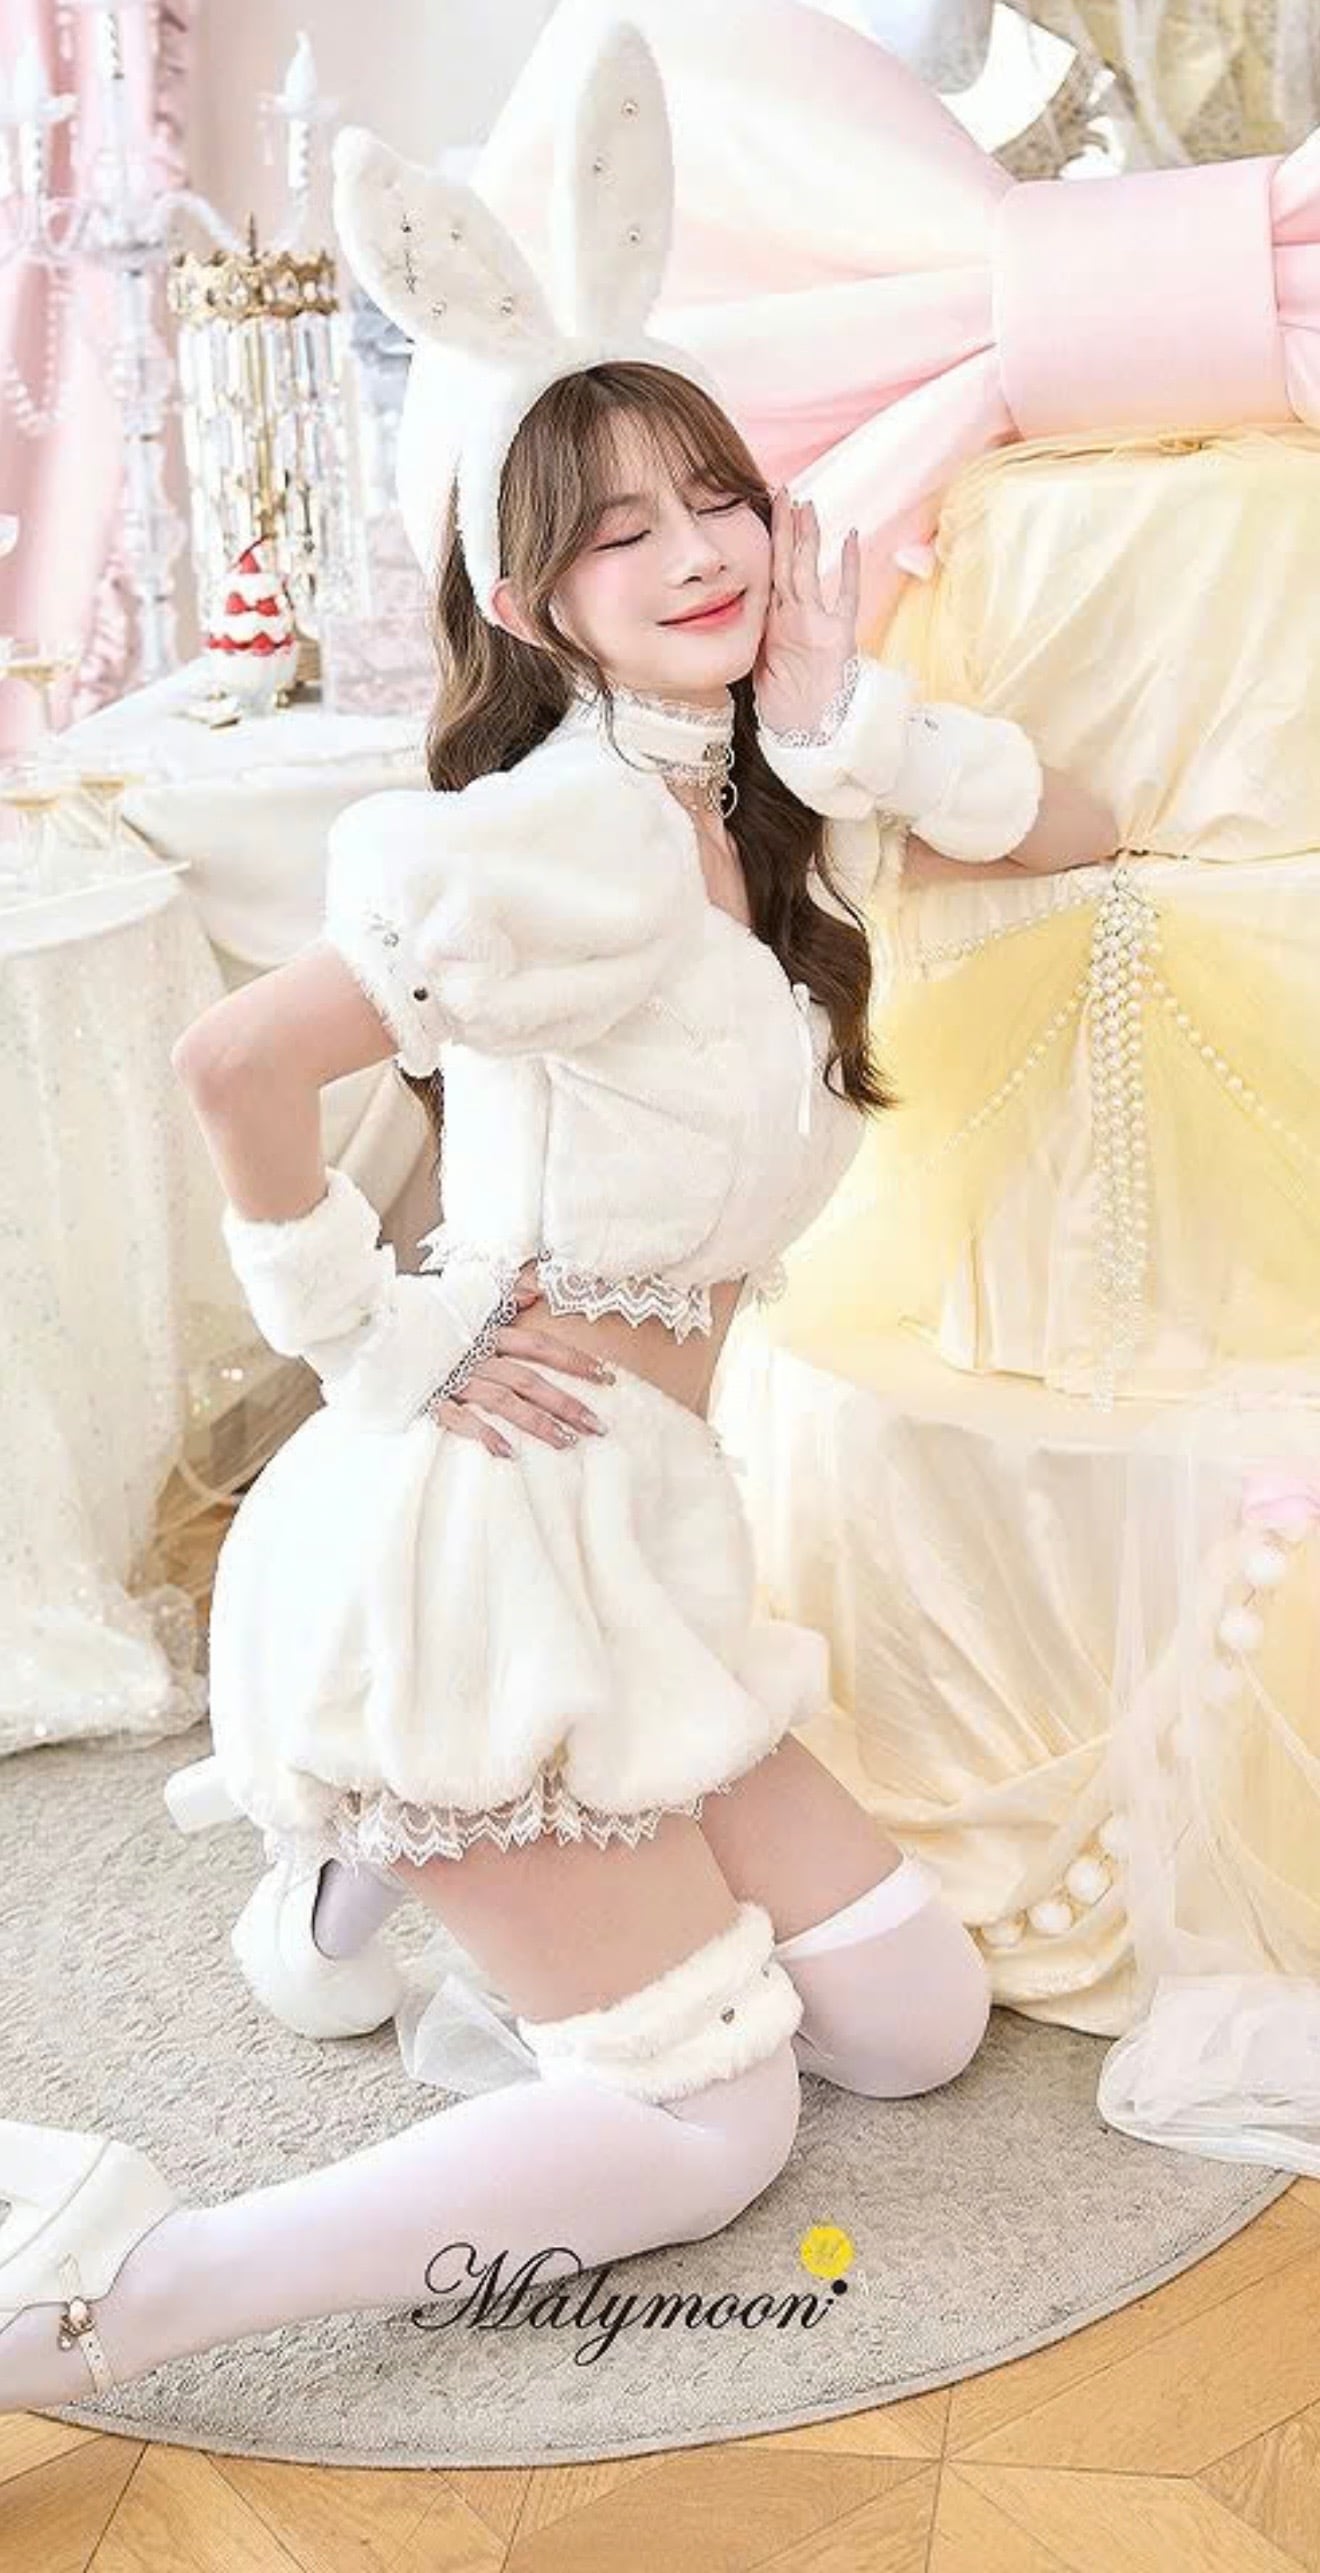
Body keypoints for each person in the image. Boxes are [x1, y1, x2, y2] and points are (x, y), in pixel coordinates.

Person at [0, 21, 1118, 2412]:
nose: (699, 551)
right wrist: (372, 1334)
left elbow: (1077, 829)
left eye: (716, 496)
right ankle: (112, 2291)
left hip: (642, 1539)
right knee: (708, 2127)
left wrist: (849, 714)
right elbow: (237, 1063)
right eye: (622, 531)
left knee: (913, 2028)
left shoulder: (755, 799)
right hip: (480, 1540)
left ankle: (349, 1884)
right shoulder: (554, 839)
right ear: (528, 594)